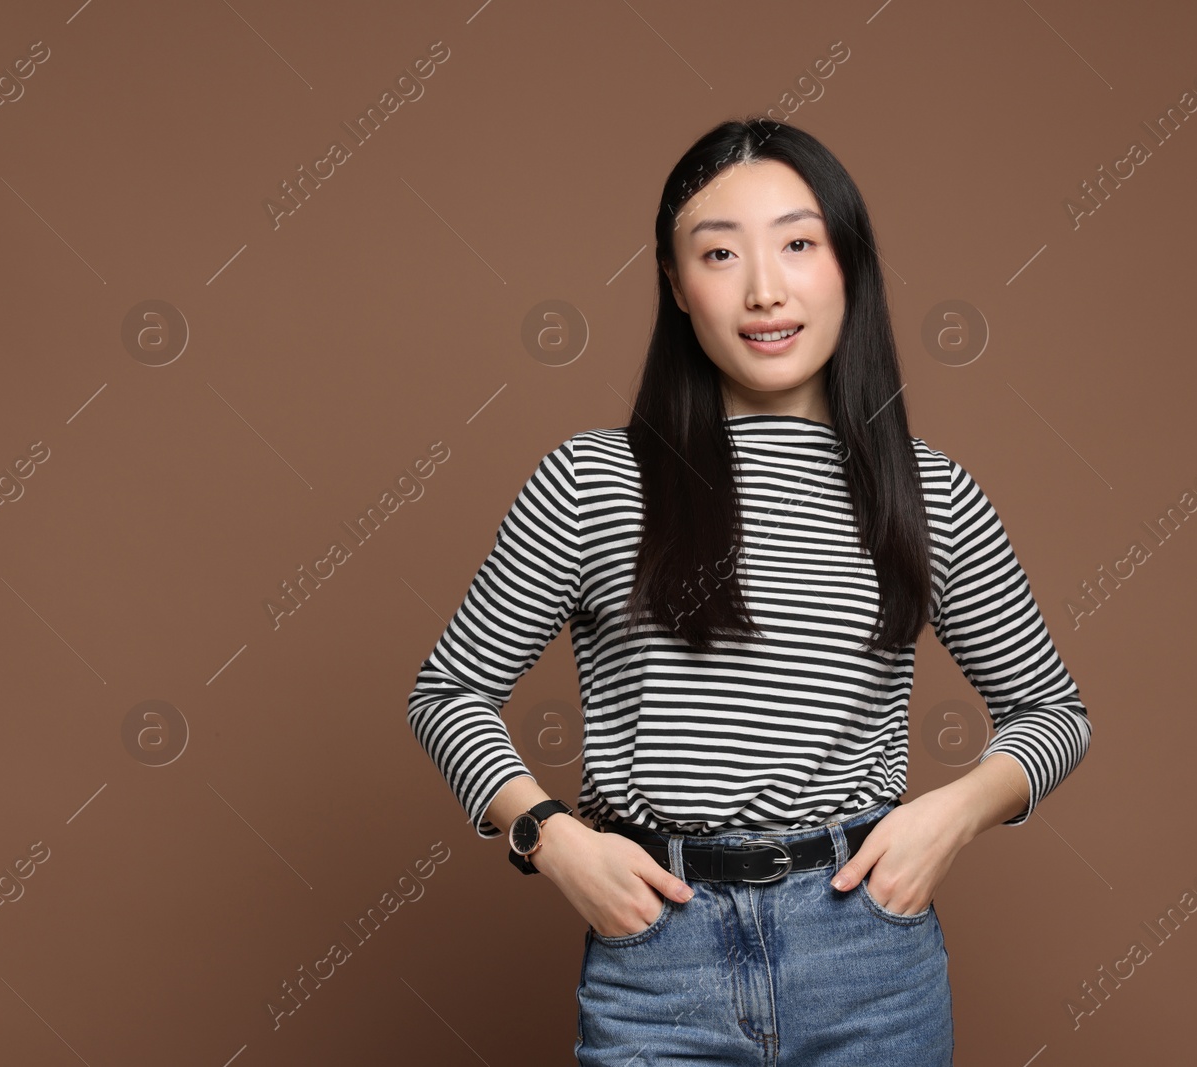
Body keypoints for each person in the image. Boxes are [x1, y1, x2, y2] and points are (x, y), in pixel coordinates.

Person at [406, 116, 1092, 1065]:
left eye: (799, 244)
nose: (765, 288)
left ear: (847, 265)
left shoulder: (928, 490)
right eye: (720, 252)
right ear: (676, 285)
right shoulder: (593, 483)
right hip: (659, 956)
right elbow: (448, 694)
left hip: (867, 955)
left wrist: (954, 813)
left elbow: (1051, 710)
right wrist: (549, 836)